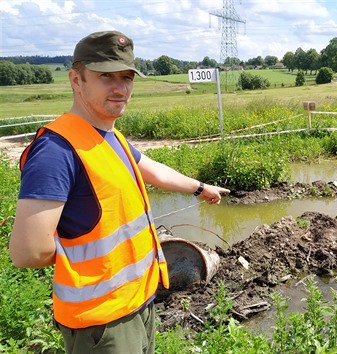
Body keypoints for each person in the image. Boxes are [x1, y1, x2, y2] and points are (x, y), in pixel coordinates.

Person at [8, 30, 230, 354]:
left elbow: (150, 168)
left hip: (139, 303)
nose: (120, 88)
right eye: (105, 76)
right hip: (102, 324)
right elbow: (27, 252)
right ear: (76, 79)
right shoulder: (56, 150)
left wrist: (199, 187)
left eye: (126, 77)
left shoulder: (109, 136)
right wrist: (87, 258)